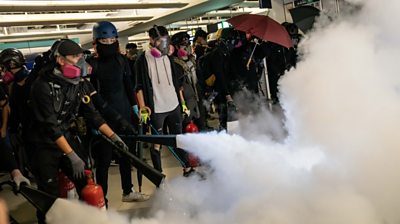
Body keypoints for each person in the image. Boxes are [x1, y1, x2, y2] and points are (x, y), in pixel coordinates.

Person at [26, 39, 127, 223]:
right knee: (49, 197)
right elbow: (50, 126)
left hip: (66, 136)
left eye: (81, 56)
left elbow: (93, 115)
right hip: (43, 144)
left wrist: (114, 136)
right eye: (75, 57)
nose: (80, 61)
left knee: (86, 183)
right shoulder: (42, 86)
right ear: (61, 60)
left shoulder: (79, 83)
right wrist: (72, 155)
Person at [87, 21, 149, 203]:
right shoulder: (92, 65)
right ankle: (102, 199)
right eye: (105, 41)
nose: (109, 43)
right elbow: (90, 96)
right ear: (96, 42)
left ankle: (128, 191)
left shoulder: (121, 60)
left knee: (126, 157)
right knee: (103, 162)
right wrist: (94, 122)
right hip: (104, 121)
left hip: (125, 116)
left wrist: (136, 108)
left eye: (113, 39)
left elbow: (129, 87)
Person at [135, 25, 193, 176]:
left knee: (178, 139)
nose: (164, 44)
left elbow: (176, 84)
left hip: (174, 105)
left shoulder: (168, 57)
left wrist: (183, 104)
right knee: (157, 144)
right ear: (151, 40)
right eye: (160, 41)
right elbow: (138, 86)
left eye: (166, 40)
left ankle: (187, 168)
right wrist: (143, 108)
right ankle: (159, 175)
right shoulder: (142, 60)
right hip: (156, 109)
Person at [171, 31, 205, 130]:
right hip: (185, 97)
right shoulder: (174, 63)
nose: (186, 47)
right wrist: (182, 102)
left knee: (200, 121)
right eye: (183, 45)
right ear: (176, 47)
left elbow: (199, 75)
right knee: (187, 123)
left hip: (197, 93)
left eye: (187, 44)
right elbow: (178, 85)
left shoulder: (192, 59)